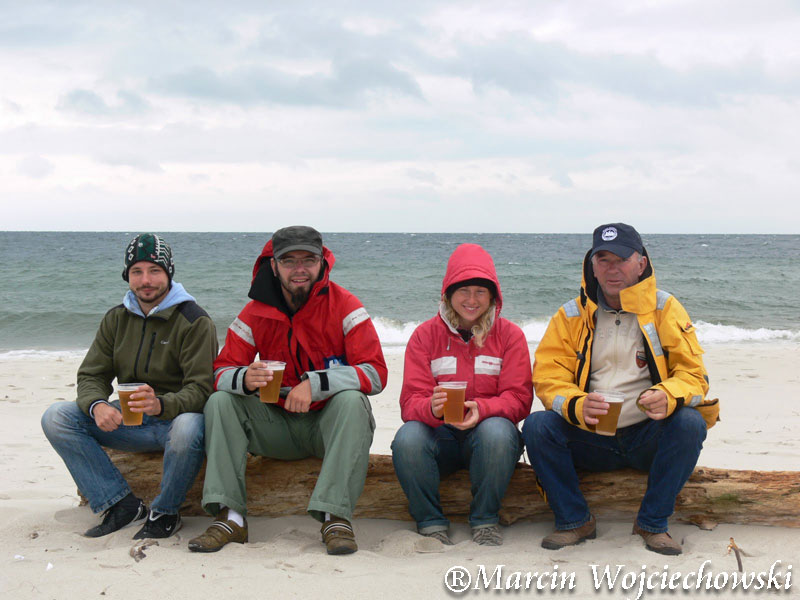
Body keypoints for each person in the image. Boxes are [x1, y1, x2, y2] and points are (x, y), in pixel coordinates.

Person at [522, 223, 720, 555]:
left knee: (690, 422)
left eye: (622, 259)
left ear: (641, 264)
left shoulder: (665, 308)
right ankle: (574, 521)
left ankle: (652, 523)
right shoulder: (570, 314)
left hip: (646, 436)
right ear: (592, 265)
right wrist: (576, 404)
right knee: (538, 426)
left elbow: (694, 375)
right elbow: (547, 376)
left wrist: (669, 395)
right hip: (591, 437)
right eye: (604, 260)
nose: (612, 269)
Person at [188, 226, 387, 555]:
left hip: (326, 428)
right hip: (274, 428)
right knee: (220, 401)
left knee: (354, 401)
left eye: (308, 260)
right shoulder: (254, 312)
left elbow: (375, 373)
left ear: (322, 262)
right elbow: (219, 373)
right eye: (289, 261)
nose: (299, 269)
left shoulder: (346, 305)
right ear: (274, 265)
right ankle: (230, 517)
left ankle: (335, 518)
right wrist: (245, 378)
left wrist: (316, 384)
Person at [41, 233, 217, 539]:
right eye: (137, 271)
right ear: (127, 275)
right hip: (129, 422)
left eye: (154, 271)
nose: (145, 280)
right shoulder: (116, 318)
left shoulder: (195, 320)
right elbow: (92, 375)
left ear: (169, 273)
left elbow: (202, 389)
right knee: (56, 416)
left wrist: (161, 404)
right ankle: (121, 504)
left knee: (188, 426)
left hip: (177, 425)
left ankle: (165, 512)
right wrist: (97, 405)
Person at [391, 243, 532, 546]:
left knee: (498, 431)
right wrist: (431, 407)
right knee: (407, 438)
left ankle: (485, 520)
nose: (471, 300)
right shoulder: (424, 335)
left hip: (488, 440)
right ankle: (430, 522)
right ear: (448, 293)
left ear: (493, 296)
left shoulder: (510, 335)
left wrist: (482, 409)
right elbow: (409, 402)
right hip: (440, 438)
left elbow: (520, 399)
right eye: (463, 291)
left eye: (480, 292)